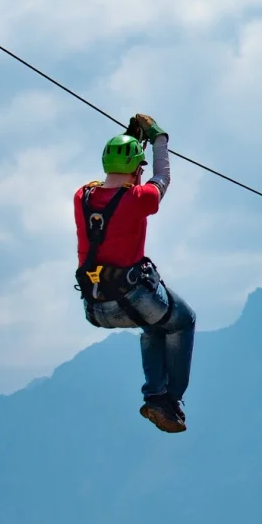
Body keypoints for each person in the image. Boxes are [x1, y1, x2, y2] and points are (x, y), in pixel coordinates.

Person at [74, 113, 195, 434]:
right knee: (183, 320)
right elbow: (162, 176)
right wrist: (159, 139)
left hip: (96, 306)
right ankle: (170, 400)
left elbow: (118, 191)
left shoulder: (82, 196)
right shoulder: (140, 198)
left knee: (155, 326)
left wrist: (132, 143)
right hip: (134, 296)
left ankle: (155, 395)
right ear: (136, 169)